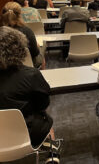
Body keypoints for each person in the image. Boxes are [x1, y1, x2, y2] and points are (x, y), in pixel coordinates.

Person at [0, 27, 61, 162]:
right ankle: (53, 155)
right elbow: (43, 104)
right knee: (45, 116)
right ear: (20, 49)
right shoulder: (31, 74)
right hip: (26, 134)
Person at [1, 2, 43, 69]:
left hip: (2, 67)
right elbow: (35, 53)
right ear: (20, 15)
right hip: (25, 66)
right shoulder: (27, 31)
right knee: (41, 54)